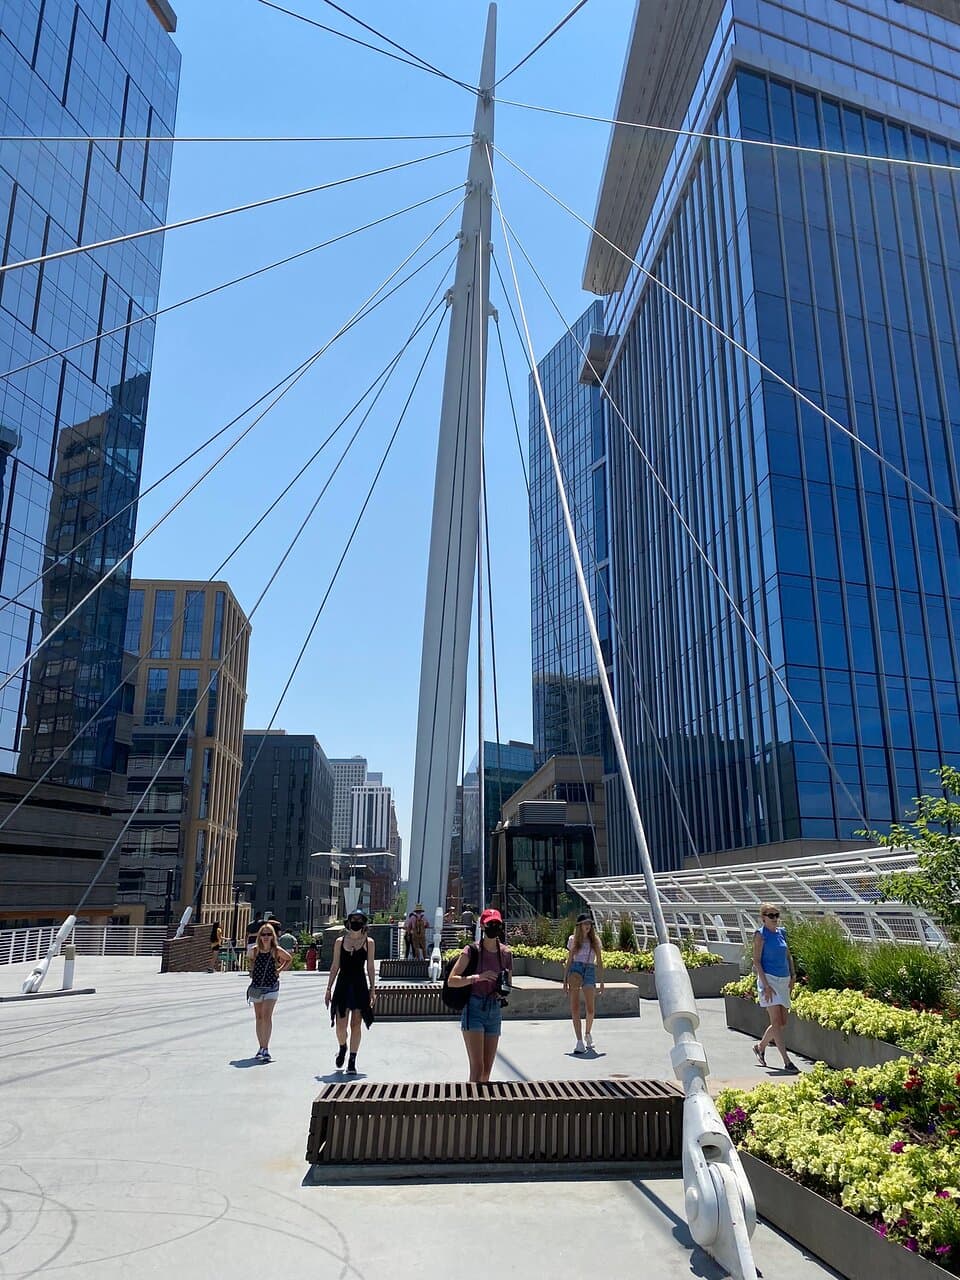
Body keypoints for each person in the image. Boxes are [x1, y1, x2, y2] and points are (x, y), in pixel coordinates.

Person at [447, 907, 512, 1083]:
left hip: (494, 1009)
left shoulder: (505, 953)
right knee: (477, 1068)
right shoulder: (471, 951)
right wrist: (477, 978)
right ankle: (471, 1108)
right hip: (474, 1008)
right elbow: (452, 980)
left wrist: (502, 988)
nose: (494, 927)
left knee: (487, 1071)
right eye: (490, 924)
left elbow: (508, 981)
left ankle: (481, 1108)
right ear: (482, 926)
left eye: (497, 924)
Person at [325, 910, 376, 1074]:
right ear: (348, 922)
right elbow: (334, 966)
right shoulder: (340, 941)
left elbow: (370, 967)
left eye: (359, 919)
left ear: (364, 923)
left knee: (356, 1024)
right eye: (353, 919)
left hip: (360, 984)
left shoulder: (369, 942)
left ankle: (352, 1060)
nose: (356, 922)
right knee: (341, 1025)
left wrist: (372, 989)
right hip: (343, 984)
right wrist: (328, 988)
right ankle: (342, 1047)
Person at [752, 903, 799, 1073]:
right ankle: (786, 1061)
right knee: (776, 1022)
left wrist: (793, 976)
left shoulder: (782, 933)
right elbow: (756, 960)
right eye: (770, 915)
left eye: (776, 915)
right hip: (769, 980)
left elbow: (788, 956)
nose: (774, 918)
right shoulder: (760, 935)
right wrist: (765, 985)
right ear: (763, 917)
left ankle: (760, 1046)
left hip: (784, 979)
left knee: (783, 1022)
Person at [245, 922, 292, 1062]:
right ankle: (261, 1047)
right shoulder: (254, 950)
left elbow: (289, 959)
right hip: (257, 987)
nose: (266, 937)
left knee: (266, 1015)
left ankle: (266, 1048)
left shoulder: (276, 950)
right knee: (259, 1017)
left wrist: (279, 970)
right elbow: (251, 961)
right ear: (260, 936)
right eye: (263, 934)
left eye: (269, 934)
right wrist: (252, 971)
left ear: (273, 936)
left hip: (271, 986)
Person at [563, 912, 605, 1055]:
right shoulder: (573, 940)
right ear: (579, 926)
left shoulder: (595, 941)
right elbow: (569, 960)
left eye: (589, 924)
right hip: (575, 970)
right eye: (585, 923)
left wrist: (601, 981)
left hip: (589, 970)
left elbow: (599, 961)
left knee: (590, 1009)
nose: (588, 926)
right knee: (574, 1008)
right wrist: (564, 979)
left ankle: (587, 1032)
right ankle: (579, 1041)